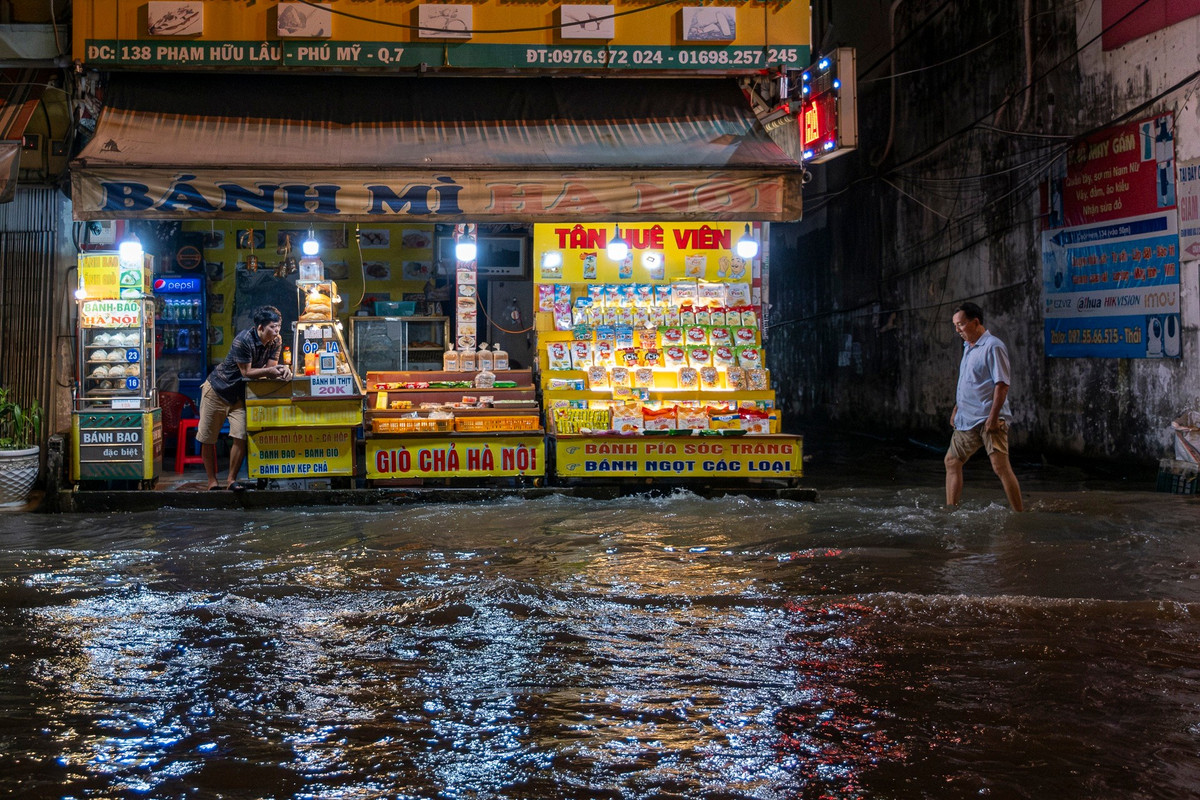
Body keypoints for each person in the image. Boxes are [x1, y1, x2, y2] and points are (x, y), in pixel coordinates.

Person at [197, 305, 292, 490]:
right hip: (217, 390)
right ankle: (212, 481)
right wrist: (271, 371)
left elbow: (270, 368)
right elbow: (247, 372)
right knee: (208, 438)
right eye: (273, 327)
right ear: (260, 328)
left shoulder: (276, 341)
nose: (277, 330)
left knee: (240, 435)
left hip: (239, 396)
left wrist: (282, 369)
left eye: (279, 326)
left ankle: (231, 480)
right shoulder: (243, 340)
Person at [945, 302, 1024, 511]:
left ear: (976, 322)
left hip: (990, 419)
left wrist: (992, 417)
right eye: (955, 325)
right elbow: (968, 381)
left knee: (1000, 468)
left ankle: (1019, 513)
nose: (957, 330)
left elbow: (1002, 384)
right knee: (952, 461)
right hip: (968, 419)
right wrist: (957, 408)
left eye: (960, 324)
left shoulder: (992, 346)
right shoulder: (968, 347)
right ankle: (951, 512)